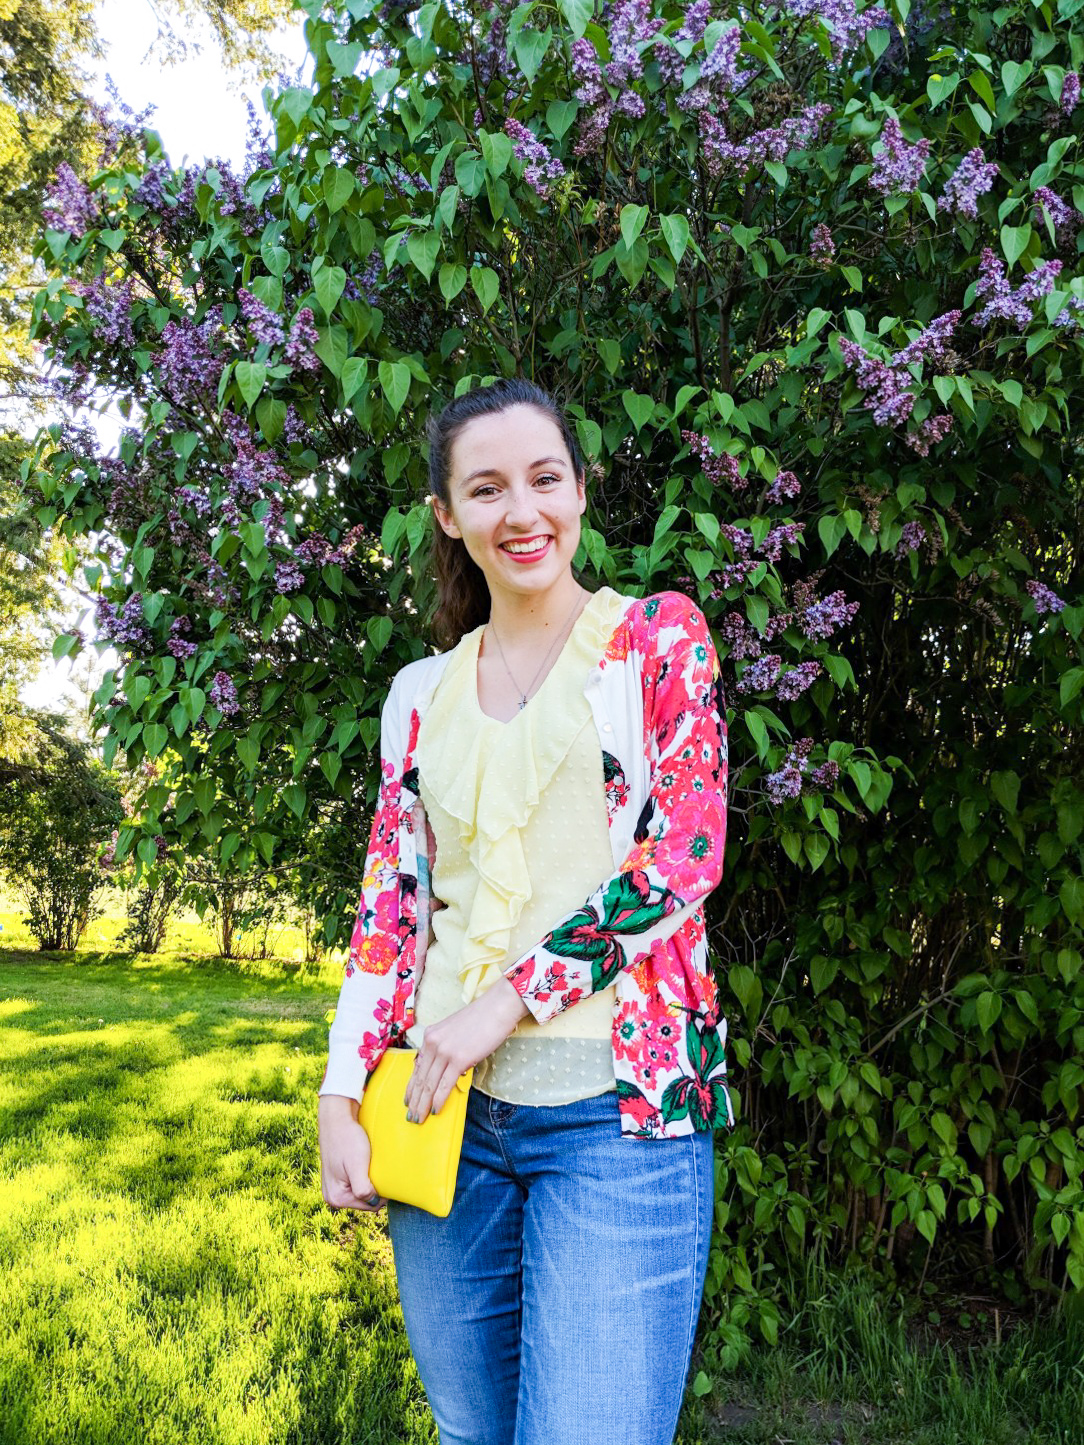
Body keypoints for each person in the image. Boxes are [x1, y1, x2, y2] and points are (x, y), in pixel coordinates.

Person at [318, 376, 734, 1445]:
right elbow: (389, 910)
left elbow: (682, 857)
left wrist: (505, 1000)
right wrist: (339, 1093)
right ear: (448, 515)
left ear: (580, 490)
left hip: (619, 1115)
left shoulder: (656, 643)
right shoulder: (419, 693)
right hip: (442, 1113)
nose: (523, 510)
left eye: (545, 478)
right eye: (487, 488)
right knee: (472, 1431)